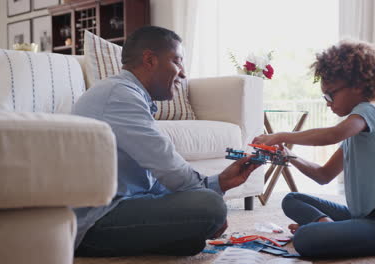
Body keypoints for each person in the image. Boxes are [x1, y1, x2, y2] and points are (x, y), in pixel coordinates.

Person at [72, 26, 261, 257]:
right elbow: (169, 167)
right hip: (95, 222)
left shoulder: (125, 92)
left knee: (193, 238)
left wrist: (220, 182)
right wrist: (210, 201)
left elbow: (153, 181)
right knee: (210, 208)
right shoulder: (120, 95)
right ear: (150, 60)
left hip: (120, 206)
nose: (182, 73)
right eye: (177, 61)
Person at [252, 39, 375, 258]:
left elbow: (332, 134)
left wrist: (280, 135)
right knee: (291, 199)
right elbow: (323, 175)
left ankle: (320, 231)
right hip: (361, 219)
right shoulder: (353, 134)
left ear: (357, 85)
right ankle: (325, 226)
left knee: (304, 238)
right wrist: (290, 156)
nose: (327, 102)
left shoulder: (368, 112)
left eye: (330, 94)